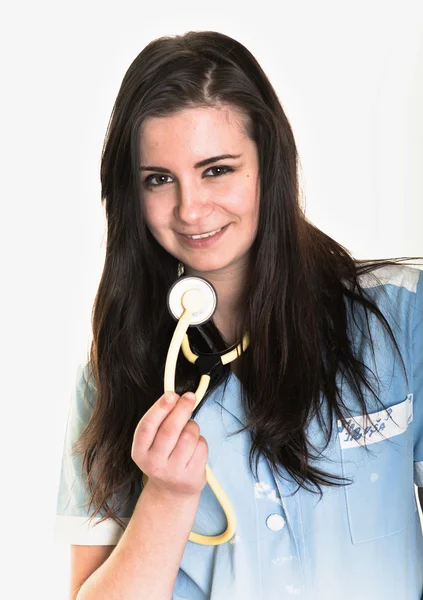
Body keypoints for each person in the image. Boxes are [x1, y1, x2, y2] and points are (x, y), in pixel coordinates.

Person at [55, 30, 423, 600]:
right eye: (159, 179)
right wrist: (166, 497)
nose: (191, 208)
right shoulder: (115, 374)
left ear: (268, 164)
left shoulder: (401, 317)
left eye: (217, 169)